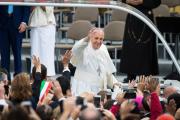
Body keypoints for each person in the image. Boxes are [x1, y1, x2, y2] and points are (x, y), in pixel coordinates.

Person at [120, 0, 161, 82]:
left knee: (145, 48)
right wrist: (128, 0)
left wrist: (142, 1)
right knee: (131, 47)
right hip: (133, 15)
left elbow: (157, 2)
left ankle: (146, 76)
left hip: (146, 16)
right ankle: (130, 76)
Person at [71, 28, 119, 96]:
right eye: (96, 38)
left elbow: (107, 72)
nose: (98, 41)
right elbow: (76, 49)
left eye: (101, 39)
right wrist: (87, 38)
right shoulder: (83, 47)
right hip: (83, 87)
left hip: (98, 89)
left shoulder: (103, 48)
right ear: (91, 37)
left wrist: (115, 83)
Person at [0, 5, 30, 80]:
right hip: (2, 24)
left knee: (17, 53)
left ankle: (18, 81)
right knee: (4, 54)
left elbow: (26, 5)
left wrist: (24, 21)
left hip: (17, 24)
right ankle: (5, 81)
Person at [28, 6, 56, 76]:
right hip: (35, 24)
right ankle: (35, 75)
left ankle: (47, 76)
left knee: (46, 54)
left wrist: (39, 2)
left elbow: (47, 8)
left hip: (47, 24)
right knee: (35, 53)